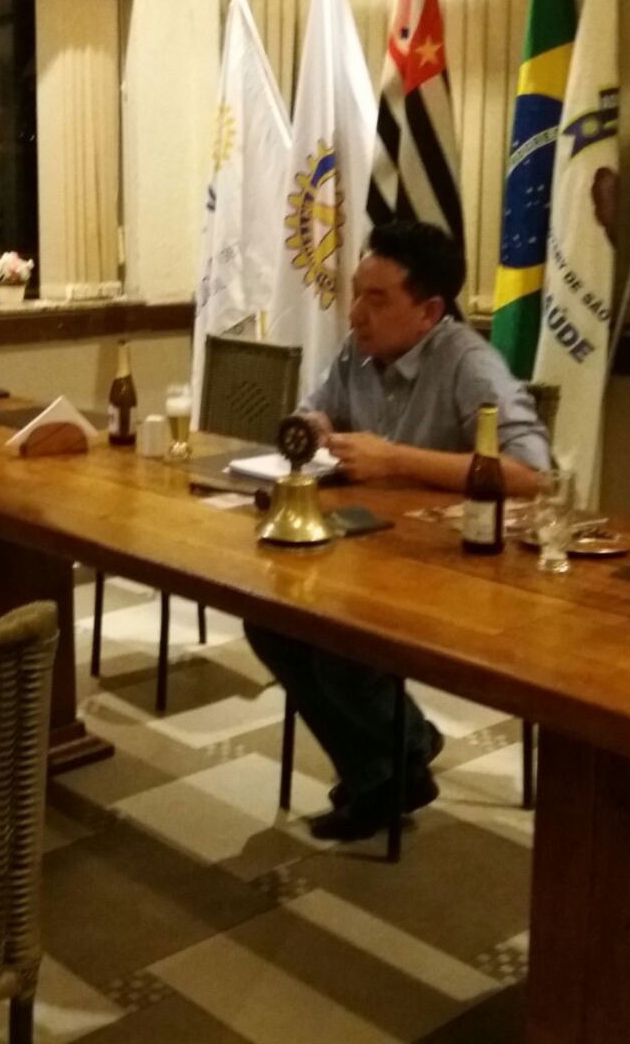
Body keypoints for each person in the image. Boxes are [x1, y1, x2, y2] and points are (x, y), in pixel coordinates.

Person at [245, 221, 551, 842]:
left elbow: (532, 473)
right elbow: (316, 409)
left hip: (453, 564)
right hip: (370, 549)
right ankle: (398, 755)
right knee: (271, 619)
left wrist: (396, 460)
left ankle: (384, 773)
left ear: (429, 311)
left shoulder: (468, 363)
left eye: (377, 299)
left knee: (337, 643)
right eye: (357, 293)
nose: (356, 313)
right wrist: (314, 424)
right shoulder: (358, 349)